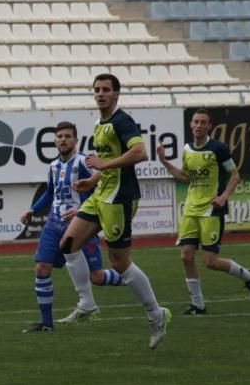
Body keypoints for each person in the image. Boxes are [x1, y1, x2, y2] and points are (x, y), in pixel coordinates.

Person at [58, 73, 172, 349]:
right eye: (96, 89)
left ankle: (156, 315)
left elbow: (140, 153)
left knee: (120, 262)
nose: (100, 94)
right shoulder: (100, 123)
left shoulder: (122, 121)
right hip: (101, 194)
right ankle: (87, 304)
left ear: (116, 94)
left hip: (119, 198)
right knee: (68, 244)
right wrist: (93, 179)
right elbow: (104, 163)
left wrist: (104, 165)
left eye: (106, 90)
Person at [20, 121, 125, 333]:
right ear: (55, 141)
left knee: (96, 277)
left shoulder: (85, 163)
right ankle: (47, 324)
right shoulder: (53, 166)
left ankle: (129, 277)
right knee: (42, 267)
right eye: (59, 136)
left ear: (75, 141)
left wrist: (81, 210)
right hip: (54, 223)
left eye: (67, 136)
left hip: (81, 225)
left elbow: (101, 188)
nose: (63, 140)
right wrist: (32, 210)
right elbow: (50, 193)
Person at [156, 108, 250, 314]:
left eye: (203, 122)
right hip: (191, 209)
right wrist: (164, 162)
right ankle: (198, 305)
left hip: (211, 210)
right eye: (196, 122)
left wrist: (223, 197)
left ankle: (249, 276)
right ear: (191, 125)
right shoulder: (187, 149)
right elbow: (186, 177)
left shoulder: (218, 148)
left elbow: (234, 175)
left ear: (209, 126)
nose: (198, 125)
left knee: (210, 262)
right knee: (186, 257)